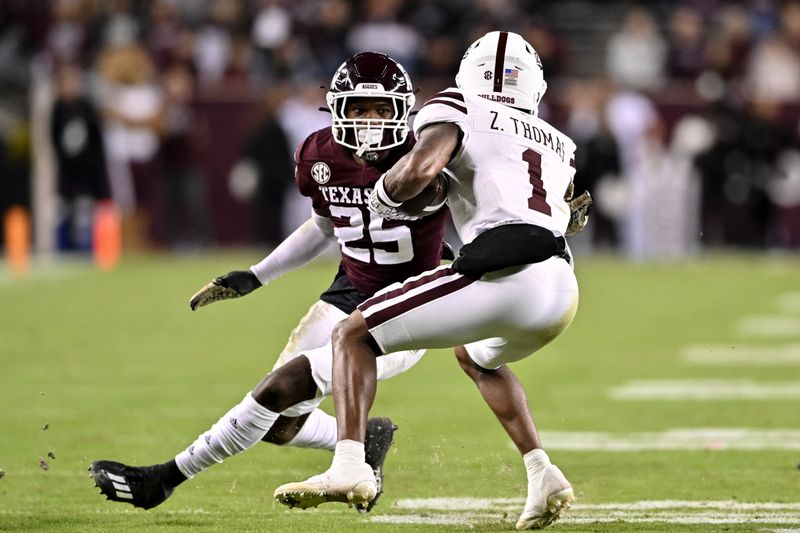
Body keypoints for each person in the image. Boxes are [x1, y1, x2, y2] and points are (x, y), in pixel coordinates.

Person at [89, 51, 450, 513]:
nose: (369, 121)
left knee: (279, 387)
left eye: (381, 110)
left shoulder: (428, 155)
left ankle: (166, 478)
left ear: (404, 110)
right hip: (350, 289)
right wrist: (256, 276)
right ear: (337, 107)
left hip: (412, 305)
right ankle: (369, 442)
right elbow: (323, 225)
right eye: (359, 108)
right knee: (279, 425)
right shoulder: (320, 154)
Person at [274, 31, 591, 530]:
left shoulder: (457, 104)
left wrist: (383, 196)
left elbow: (420, 169)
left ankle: (349, 466)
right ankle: (542, 471)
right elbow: (571, 208)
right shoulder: (557, 140)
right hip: (561, 289)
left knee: (352, 334)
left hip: (507, 275)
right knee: (476, 356)